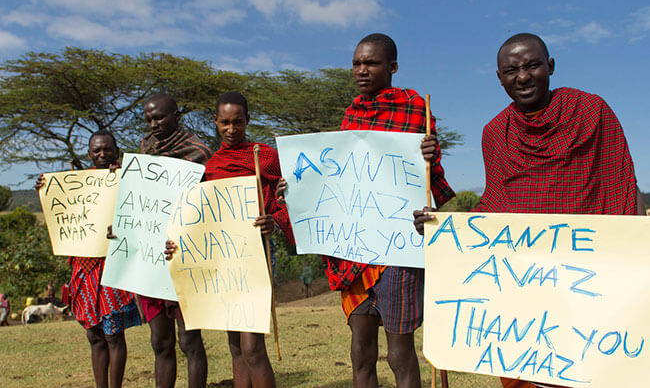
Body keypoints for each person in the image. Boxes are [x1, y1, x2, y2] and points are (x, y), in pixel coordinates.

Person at [415, 33, 643, 388]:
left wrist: (632, 263)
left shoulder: (591, 111)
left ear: (550, 67)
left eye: (532, 65)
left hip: (589, 274)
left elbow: (623, 190)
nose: (522, 77)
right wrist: (442, 229)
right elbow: (496, 206)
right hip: (527, 282)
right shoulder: (496, 134)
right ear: (499, 78)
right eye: (511, 70)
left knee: (592, 369)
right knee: (530, 370)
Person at [277, 33, 454, 388]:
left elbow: (425, 181)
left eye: (370, 63)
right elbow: (339, 178)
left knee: (399, 353)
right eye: (356, 63)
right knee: (361, 350)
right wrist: (295, 190)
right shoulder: (351, 116)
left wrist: (430, 158)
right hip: (352, 249)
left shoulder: (415, 110)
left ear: (393, 67)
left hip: (397, 248)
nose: (361, 70)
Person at [165, 91, 294, 388]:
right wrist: (175, 241)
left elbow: (282, 200)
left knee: (252, 347)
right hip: (222, 261)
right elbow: (198, 218)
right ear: (215, 122)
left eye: (238, 122)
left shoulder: (265, 156)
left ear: (248, 120)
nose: (231, 129)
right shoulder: (210, 166)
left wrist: (273, 221)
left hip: (255, 255)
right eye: (225, 123)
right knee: (235, 347)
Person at [35, 129, 142, 388]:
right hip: (83, 266)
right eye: (97, 150)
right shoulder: (77, 183)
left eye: (107, 149)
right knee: (94, 335)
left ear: (116, 151)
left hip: (112, 264)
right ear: (89, 154)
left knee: (113, 333)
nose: (103, 154)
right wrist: (45, 191)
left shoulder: (126, 180)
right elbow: (62, 214)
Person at [137, 93, 212, 388]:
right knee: (159, 341)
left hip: (187, 257)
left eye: (159, 118)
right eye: (149, 120)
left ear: (176, 116)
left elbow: (210, 206)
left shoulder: (199, 153)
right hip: (151, 258)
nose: (153, 124)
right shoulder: (145, 152)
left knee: (189, 339)